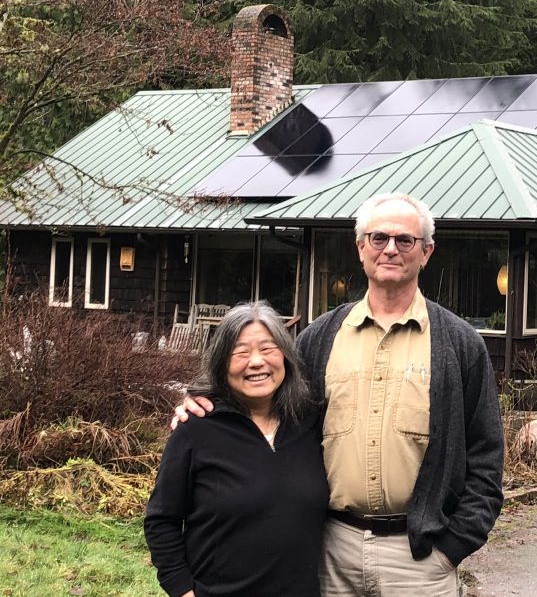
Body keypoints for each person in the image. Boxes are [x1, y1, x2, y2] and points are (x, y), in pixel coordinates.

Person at [177, 193, 504, 596]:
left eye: (405, 240)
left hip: (419, 558)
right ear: (360, 247)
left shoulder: (460, 344)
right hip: (330, 549)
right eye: (378, 237)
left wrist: (452, 548)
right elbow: (266, 399)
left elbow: (486, 457)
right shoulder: (320, 338)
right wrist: (203, 403)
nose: (390, 248)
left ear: (426, 252)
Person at [147, 302, 328, 597]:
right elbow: (161, 520)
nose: (256, 362)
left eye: (268, 348)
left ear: (286, 356)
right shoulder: (197, 429)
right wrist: (182, 590)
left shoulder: (310, 423)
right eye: (240, 352)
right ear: (221, 362)